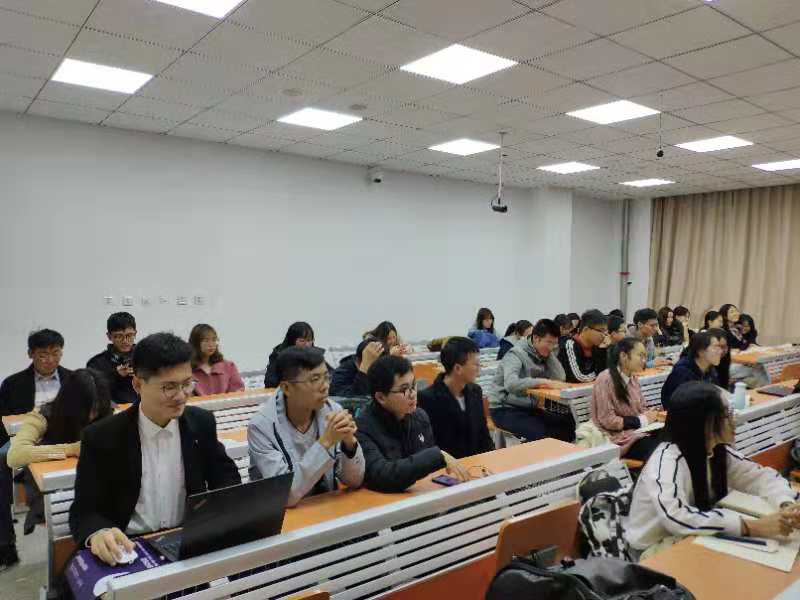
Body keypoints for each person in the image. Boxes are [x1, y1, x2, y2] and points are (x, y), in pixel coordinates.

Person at [68, 332, 241, 566]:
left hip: (187, 542)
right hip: (129, 548)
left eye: (187, 384)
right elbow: (84, 511)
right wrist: (99, 533)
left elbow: (227, 480)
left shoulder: (201, 423)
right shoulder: (102, 436)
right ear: (138, 384)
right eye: (169, 387)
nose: (181, 396)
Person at [626, 382, 800, 561]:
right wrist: (752, 527)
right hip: (652, 549)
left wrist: (786, 504)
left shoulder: (716, 451)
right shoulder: (667, 461)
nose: (734, 420)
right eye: (727, 414)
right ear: (704, 423)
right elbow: (677, 517)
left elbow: (762, 477)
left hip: (689, 535)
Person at [248, 347, 364, 507]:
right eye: (315, 379)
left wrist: (349, 444)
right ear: (287, 388)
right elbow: (285, 495)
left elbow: (355, 481)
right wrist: (326, 442)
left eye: (326, 377)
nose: (325, 386)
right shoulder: (261, 427)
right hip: (280, 516)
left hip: (325, 507)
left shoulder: (332, 410)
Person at [7, 369, 114, 536]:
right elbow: (16, 455)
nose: (92, 415)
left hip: (97, 481)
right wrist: (70, 450)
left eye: (97, 409)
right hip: (57, 487)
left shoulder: (106, 411)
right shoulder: (43, 415)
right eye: (87, 409)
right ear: (71, 403)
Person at [355, 356, 468, 492]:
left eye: (413, 385)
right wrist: (436, 456)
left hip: (418, 494)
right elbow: (382, 476)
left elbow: (427, 469)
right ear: (381, 397)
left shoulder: (420, 416)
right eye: (404, 389)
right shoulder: (362, 428)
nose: (413, 394)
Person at [493, 319, 571, 441]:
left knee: (567, 424)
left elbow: (560, 377)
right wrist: (542, 382)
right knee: (541, 434)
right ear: (536, 338)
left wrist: (549, 353)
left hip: (528, 407)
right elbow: (511, 384)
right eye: (549, 342)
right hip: (504, 408)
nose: (552, 347)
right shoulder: (516, 354)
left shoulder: (543, 353)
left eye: (554, 344)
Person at [418, 337, 494, 459]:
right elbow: (429, 445)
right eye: (476, 364)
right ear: (458, 368)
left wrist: (492, 457)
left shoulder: (475, 391)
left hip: (477, 463)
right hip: (447, 466)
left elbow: (483, 433)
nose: (480, 368)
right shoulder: (428, 398)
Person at [590, 338, 664, 461]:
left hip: (638, 432)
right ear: (623, 356)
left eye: (645, 356)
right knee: (660, 451)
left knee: (674, 441)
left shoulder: (632, 378)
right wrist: (641, 420)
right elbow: (607, 420)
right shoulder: (605, 379)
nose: (644, 360)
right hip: (619, 439)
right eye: (640, 355)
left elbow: (642, 408)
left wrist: (652, 414)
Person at [0, 329, 73, 446]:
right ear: (30, 353)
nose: (50, 360)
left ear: (61, 353)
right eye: (43, 355)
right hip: (27, 441)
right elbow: (5, 422)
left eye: (55, 353)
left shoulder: (73, 379)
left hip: (68, 439)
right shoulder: (13, 384)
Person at [660, 330, 723, 410]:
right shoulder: (682, 372)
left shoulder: (710, 370)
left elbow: (716, 394)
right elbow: (676, 405)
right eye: (715, 347)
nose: (720, 351)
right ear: (701, 352)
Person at [87, 312, 138, 405]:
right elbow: (92, 392)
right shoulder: (96, 363)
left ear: (135, 333)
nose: (125, 341)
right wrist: (116, 375)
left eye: (129, 335)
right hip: (111, 410)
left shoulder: (147, 358)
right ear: (109, 336)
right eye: (119, 336)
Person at [264, 322, 331, 388]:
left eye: (309, 340)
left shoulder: (315, 355)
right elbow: (270, 382)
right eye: (302, 341)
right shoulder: (279, 355)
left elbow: (331, 375)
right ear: (292, 341)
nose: (307, 345)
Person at [189, 324, 244, 396]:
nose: (211, 344)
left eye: (214, 340)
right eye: (206, 340)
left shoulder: (229, 366)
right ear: (195, 343)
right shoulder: (187, 369)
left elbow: (238, 392)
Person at [557, 310, 609, 383]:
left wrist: (603, 350)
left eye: (606, 331)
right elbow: (579, 377)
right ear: (586, 329)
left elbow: (608, 372)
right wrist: (600, 375)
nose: (604, 335)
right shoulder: (570, 344)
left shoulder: (598, 346)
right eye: (601, 331)